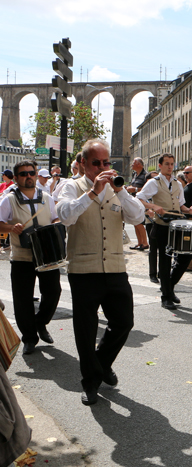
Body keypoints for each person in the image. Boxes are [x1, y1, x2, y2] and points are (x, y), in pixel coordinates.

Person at [56, 139, 145, 405]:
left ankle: (101, 364)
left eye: (107, 163)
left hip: (115, 267)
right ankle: (91, 382)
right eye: (97, 163)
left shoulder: (116, 189)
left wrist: (122, 192)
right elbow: (65, 215)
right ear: (83, 163)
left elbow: (138, 217)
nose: (103, 168)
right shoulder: (70, 186)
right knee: (85, 328)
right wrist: (93, 192)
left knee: (124, 321)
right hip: (84, 269)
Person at [0, 160, 62, 355]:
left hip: (47, 255)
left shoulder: (46, 196)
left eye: (31, 173)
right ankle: (29, 338)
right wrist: (11, 228)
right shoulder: (8, 199)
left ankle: (40, 321)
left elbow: (54, 218)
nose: (29, 176)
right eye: (24, 174)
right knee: (23, 299)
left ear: (35, 175)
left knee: (53, 291)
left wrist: (58, 224)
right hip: (22, 256)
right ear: (16, 178)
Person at [137, 155, 192, 309]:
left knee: (186, 256)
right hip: (161, 225)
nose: (170, 167)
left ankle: (169, 287)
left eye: (171, 164)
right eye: (166, 164)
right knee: (165, 261)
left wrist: (190, 209)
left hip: (176, 225)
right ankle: (166, 296)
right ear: (160, 165)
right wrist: (153, 207)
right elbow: (139, 198)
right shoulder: (154, 183)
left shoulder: (178, 184)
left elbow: (182, 206)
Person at [126, 157, 149, 251]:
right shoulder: (134, 174)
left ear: (139, 164)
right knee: (135, 222)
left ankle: (145, 243)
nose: (131, 164)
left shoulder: (145, 175)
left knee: (139, 222)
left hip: (142, 201)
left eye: (133, 162)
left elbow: (147, 189)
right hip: (134, 200)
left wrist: (135, 189)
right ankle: (139, 242)